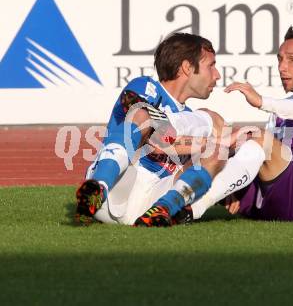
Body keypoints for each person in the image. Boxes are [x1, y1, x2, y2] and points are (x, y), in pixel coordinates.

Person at [183, 26, 293, 222]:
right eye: (280, 59)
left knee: (258, 137)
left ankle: (192, 208)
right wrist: (230, 182)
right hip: (271, 199)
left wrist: (263, 102)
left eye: (291, 59)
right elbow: (257, 158)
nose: (282, 67)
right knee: (211, 122)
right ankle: (165, 198)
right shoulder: (282, 111)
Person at [75, 33, 231, 226]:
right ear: (187, 67)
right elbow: (153, 134)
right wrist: (198, 144)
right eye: (211, 65)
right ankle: (97, 188)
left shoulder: (190, 117)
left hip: (149, 203)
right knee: (141, 115)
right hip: (117, 185)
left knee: (218, 153)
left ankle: (165, 209)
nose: (217, 74)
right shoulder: (148, 87)